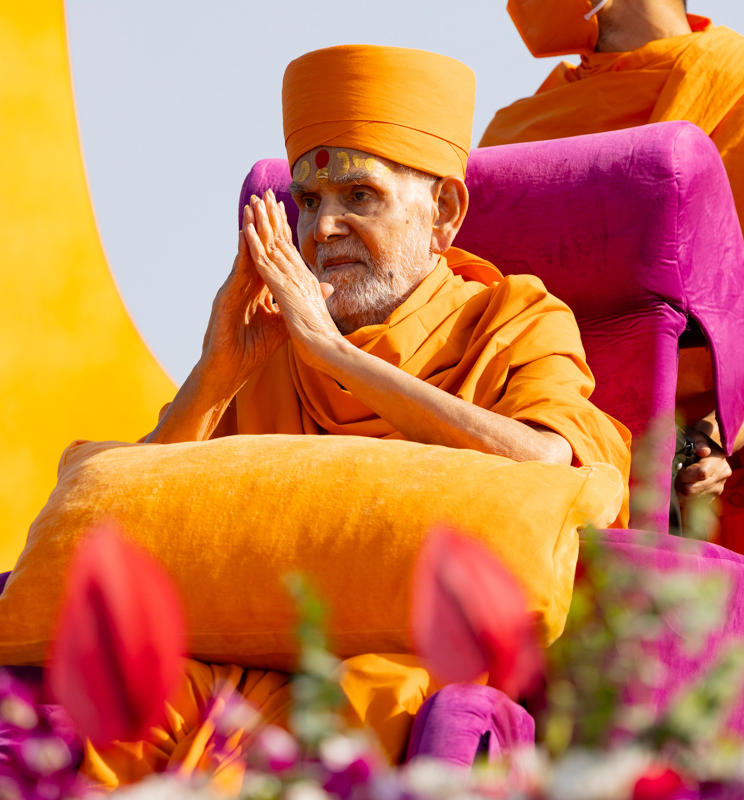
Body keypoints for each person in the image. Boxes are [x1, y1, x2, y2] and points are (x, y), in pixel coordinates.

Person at [79, 44, 630, 788]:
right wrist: (215, 378)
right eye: (308, 202)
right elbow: (132, 523)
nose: (323, 228)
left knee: (367, 700)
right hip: (240, 665)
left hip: (403, 666)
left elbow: (546, 466)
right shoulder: (273, 343)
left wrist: (342, 359)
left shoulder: (516, 319)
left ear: (444, 212)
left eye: (359, 198)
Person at [480, 0, 744, 731]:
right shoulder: (515, 135)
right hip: (540, 489)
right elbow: (485, 338)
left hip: (699, 494)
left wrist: (725, 434)